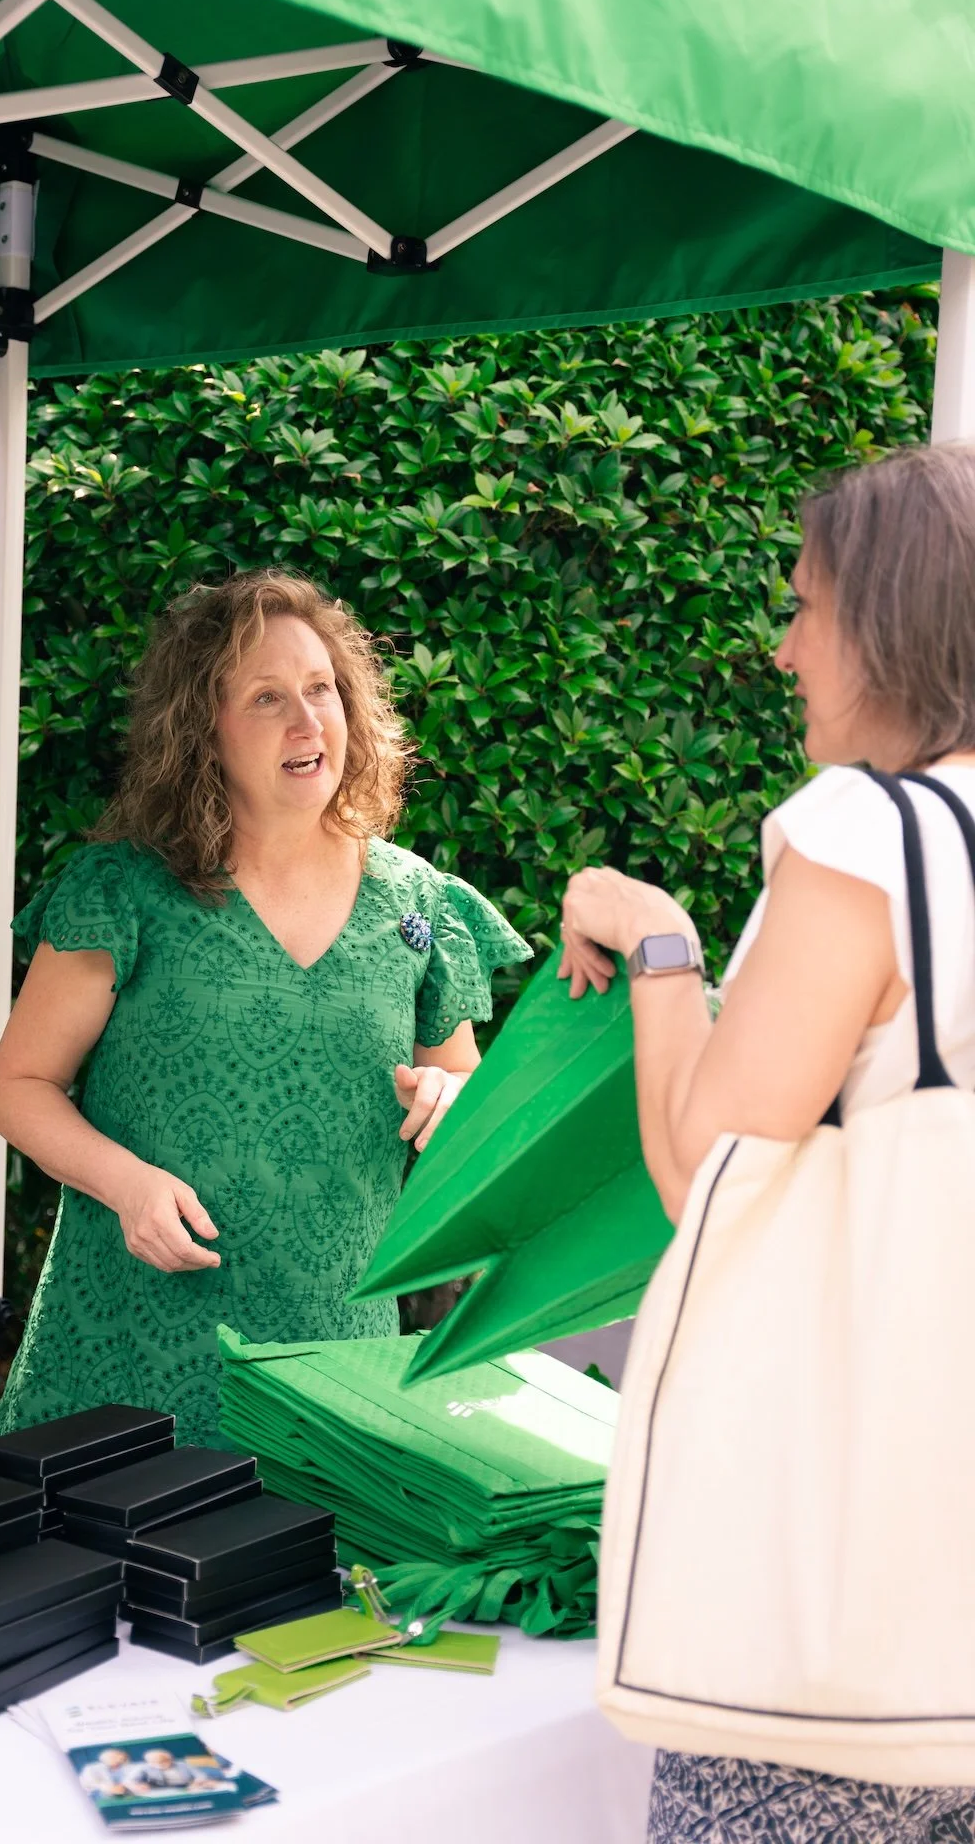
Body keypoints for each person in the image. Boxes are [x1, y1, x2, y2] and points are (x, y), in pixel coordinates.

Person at [559, 442, 975, 1843]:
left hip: (840, 1611)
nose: (785, 650)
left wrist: (658, 939)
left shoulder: (873, 838)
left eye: (805, 610)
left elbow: (709, 1173)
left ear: (888, 623)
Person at [0, 569, 530, 1444]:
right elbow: (18, 1084)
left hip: (334, 1366)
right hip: (129, 1357)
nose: (308, 721)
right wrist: (126, 1186)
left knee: (319, 1585)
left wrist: (454, 1104)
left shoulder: (418, 905)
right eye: (268, 697)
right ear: (205, 732)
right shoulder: (123, 892)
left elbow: (460, 1087)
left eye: (321, 690)